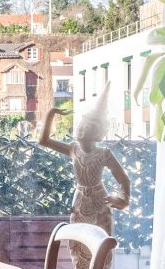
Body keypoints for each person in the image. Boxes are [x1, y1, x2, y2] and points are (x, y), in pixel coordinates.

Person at [38, 95, 131, 231]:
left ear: (97, 133)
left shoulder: (103, 154)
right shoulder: (73, 149)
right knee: (77, 238)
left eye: (87, 127)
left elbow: (123, 179)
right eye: (80, 125)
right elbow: (44, 141)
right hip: (79, 200)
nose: (81, 129)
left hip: (99, 201)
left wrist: (123, 200)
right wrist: (51, 113)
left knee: (102, 237)